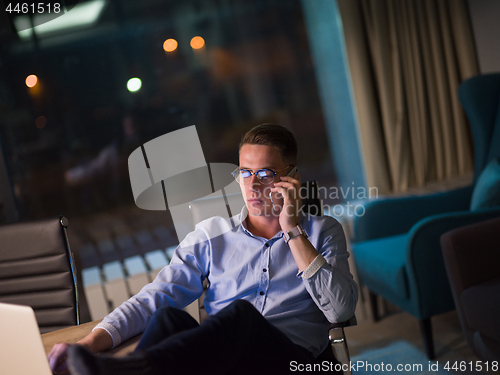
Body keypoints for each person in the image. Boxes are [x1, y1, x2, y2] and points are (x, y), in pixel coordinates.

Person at [48, 124, 358, 375]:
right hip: (226, 363)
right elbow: (155, 296)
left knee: (242, 315)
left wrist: (292, 231)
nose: (252, 186)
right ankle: (123, 371)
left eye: (265, 174)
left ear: (291, 178)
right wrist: (90, 343)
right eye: (245, 173)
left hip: (290, 361)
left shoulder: (322, 231)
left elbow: (340, 310)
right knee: (168, 318)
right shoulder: (211, 235)